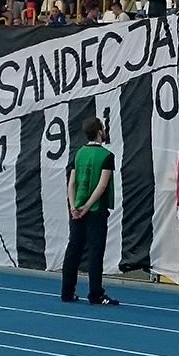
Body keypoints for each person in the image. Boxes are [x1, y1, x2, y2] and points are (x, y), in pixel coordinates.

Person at [61, 117, 119, 306]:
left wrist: (74, 206)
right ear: (100, 131)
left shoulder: (79, 153)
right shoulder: (106, 156)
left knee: (73, 249)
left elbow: (71, 183)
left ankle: (67, 292)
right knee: (95, 251)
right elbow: (102, 186)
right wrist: (87, 207)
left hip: (77, 208)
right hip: (95, 209)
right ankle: (95, 293)